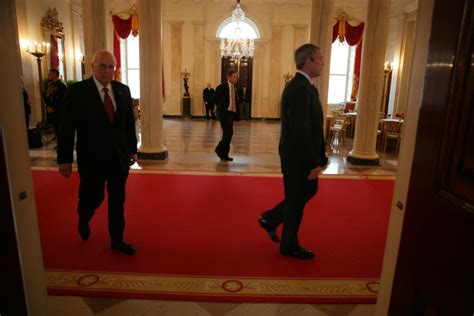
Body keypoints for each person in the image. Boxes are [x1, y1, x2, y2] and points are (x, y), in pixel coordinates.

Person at [57, 50, 138, 255]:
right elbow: (66, 127)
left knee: (117, 200)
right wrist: (64, 159)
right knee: (93, 197)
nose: (108, 71)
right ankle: (84, 216)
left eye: (111, 66)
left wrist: (132, 150)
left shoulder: (122, 90)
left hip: (118, 158)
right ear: (92, 67)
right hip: (92, 158)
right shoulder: (77, 91)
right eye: (103, 66)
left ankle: (117, 239)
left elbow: (128, 123)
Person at [258, 43, 328, 260]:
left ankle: (272, 219)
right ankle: (289, 245)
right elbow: (301, 131)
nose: (323, 63)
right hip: (298, 157)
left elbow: (313, 126)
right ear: (308, 61)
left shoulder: (305, 86)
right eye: (320, 59)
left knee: (302, 194)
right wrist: (312, 163)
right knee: (298, 199)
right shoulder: (299, 88)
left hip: (300, 155)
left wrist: (321, 156)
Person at [213, 69, 238, 161]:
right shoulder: (221, 87)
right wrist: (221, 107)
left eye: (236, 76)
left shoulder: (234, 87)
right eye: (234, 76)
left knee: (228, 134)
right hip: (224, 113)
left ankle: (224, 154)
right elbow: (215, 98)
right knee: (228, 133)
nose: (236, 78)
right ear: (229, 77)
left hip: (231, 113)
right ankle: (219, 149)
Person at [43, 68, 67, 137]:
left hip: (58, 111)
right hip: (51, 109)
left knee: (59, 127)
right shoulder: (51, 85)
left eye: (50, 73)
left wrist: (53, 108)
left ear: (55, 74)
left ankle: (60, 143)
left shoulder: (61, 85)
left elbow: (61, 99)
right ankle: (57, 139)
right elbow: (49, 96)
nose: (48, 75)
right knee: (55, 126)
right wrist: (48, 106)